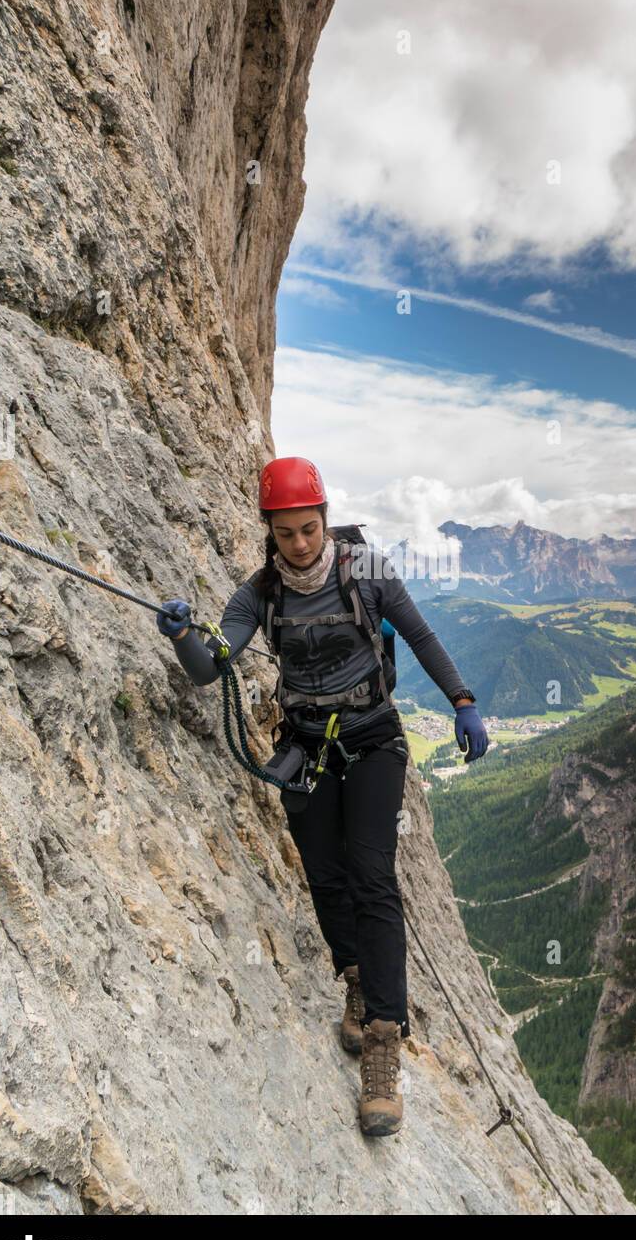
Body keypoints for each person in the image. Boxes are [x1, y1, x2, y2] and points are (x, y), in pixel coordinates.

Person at [156, 455, 488, 1136]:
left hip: (373, 741)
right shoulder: (258, 595)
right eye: (286, 534)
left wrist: (462, 700)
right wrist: (186, 635)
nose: (300, 544)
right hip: (307, 747)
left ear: (326, 522)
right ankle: (358, 979)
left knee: (371, 874)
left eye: (309, 530)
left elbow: (419, 634)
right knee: (326, 878)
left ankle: (383, 1044)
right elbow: (211, 668)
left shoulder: (366, 573)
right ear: (270, 533)